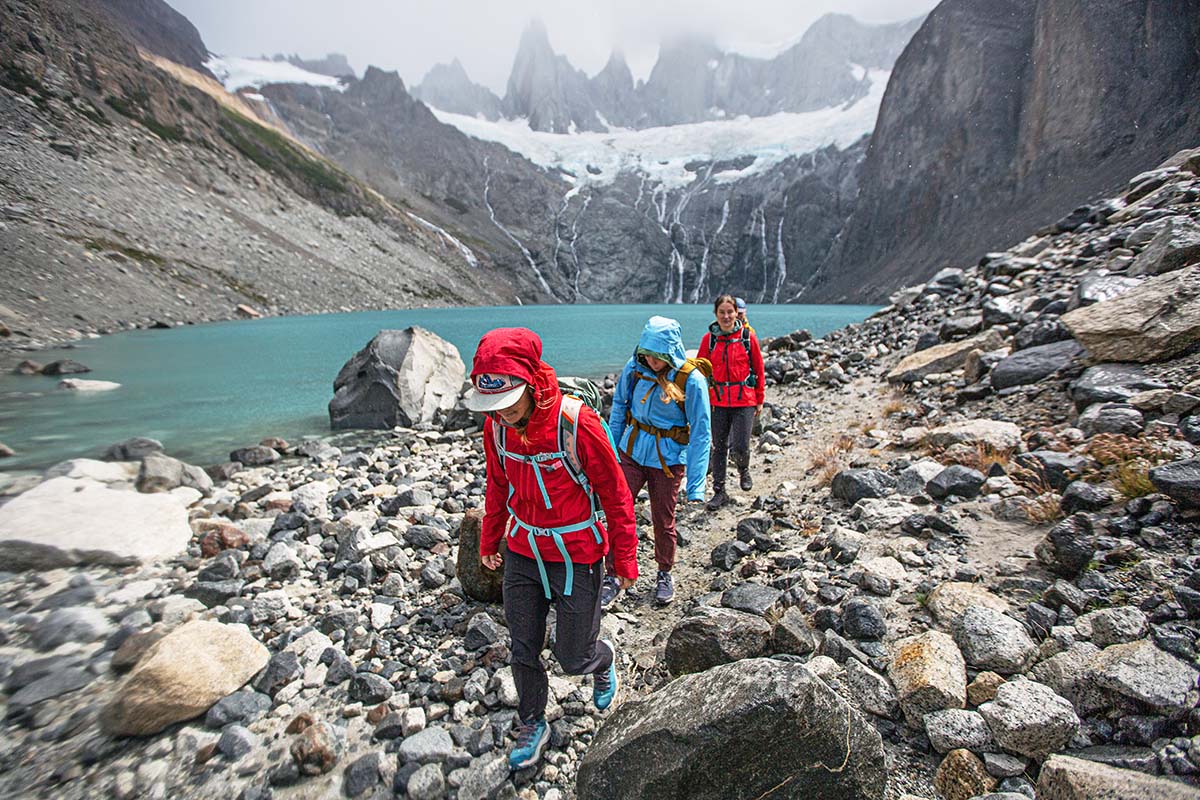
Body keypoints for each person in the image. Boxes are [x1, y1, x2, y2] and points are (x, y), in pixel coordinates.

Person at [465, 328, 638, 771]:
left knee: (572, 656)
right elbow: (497, 483)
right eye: (492, 407)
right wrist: (490, 538)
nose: (500, 415)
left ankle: (602, 659)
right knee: (522, 646)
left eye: (507, 404)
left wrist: (624, 559)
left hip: (577, 553)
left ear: (528, 385)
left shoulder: (577, 423)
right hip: (523, 551)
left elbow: (616, 493)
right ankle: (532, 722)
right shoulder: (497, 429)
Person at [605, 316, 711, 606]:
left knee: (663, 519)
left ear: (670, 351)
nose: (652, 361)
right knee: (618, 509)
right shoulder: (634, 368)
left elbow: (702, 433)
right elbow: (619, 408)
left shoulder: (692, 380)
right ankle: (613, 574)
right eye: (648, 354)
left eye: (658, 355)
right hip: (632, 450)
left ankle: (664, 572)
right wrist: (611, 454)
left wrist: (697, 484)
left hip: (668, 459)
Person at [698, 294, 765, 510]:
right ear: (716, 314)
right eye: (722, 312)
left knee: (741, 445)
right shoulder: (708, 340)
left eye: (730, 312)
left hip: (744, 399)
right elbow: (698, 371)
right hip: (717, 401)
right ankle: (719, 491)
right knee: (719, 447)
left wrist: (760, 399)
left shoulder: (748, 337)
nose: (726, 316)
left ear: (737, 313)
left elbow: (759, 368)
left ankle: (743, 470)